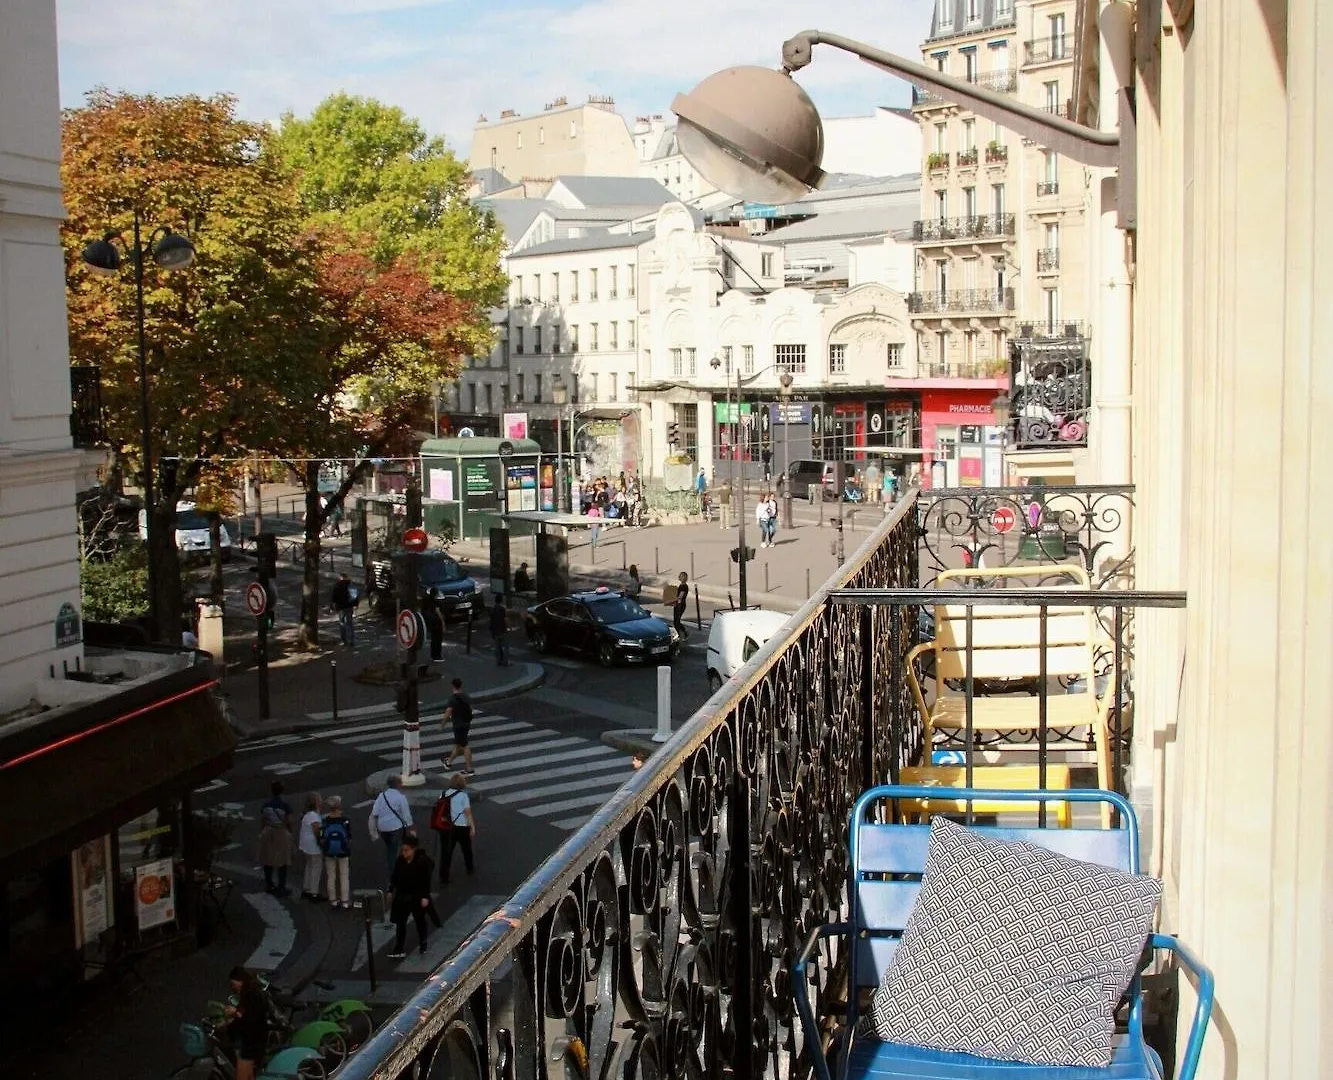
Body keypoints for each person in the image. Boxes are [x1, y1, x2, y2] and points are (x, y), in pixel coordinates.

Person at [386, 834, 437, 959]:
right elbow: (395, 877)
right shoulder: (400, 861)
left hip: (417, 895)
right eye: (403, 850)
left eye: (406, 850)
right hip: (403, 895)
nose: (404, 853)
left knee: (419, 920)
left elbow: (426, 880)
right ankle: (399, 947)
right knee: (400, 922)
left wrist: (425, 896)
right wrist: (391, 890)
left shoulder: (422, 862)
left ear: (413, 849)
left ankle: (423, 942)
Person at [225, 967, 269, 1080]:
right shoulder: (254, 994)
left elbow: (250, 1019)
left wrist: (235, 1012)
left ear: (241, 981)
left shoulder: (251, 996)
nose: (233, 988)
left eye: (234, 984)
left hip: (251, 1044)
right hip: (255, 1042)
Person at [433, 773, 477, 883]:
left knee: (446, 852)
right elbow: (468, 813)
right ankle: (469, 868)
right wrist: (472, 827)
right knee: (466, 849)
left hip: (445, 827)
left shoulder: (443, 794)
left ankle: (443, 876)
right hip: (461, 826)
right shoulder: (463, 796)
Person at [369, 776, 414, 881]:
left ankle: (394, 872)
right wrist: (411, 829)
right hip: (396, 828)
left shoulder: (381, 796)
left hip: (383, 829)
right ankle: (396, 875)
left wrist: (374, 831)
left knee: (390, 849)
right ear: (397, 784)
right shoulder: (401, 798)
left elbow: (374, 813)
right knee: (395, 851)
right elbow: (407, 816)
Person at [258, 781, 293, 896]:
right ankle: (281, 886)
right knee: (282, 860)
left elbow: (263, 820)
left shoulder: (266, 805)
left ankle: (269, 884)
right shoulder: (285, 805)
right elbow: (289, 822)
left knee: (268, 859)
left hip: (268, 832)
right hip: (280, 832)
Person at [320, 795, 352, 909]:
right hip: (343, 851)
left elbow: (321, 837)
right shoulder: (345, 820)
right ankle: (344, 901)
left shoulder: (324, 821)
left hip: (329, 851)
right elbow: (349, 837)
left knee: (331, 875)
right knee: (344, 876)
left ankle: (333, 900)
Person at [441, 677, 475, 776]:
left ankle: (469, 770)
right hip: (466, 723)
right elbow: (471, 709)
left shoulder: (452, 698)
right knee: (458, 744)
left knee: (464, 746)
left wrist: (442, 724)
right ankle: (449, 762)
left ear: (453, 686)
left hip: (458, 725)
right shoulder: (467, 696)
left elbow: (448, 713)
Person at [298, 793, 324, 901]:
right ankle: (314, 893)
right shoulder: (314, 816)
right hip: (313, 846)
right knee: (316, 868)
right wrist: (322, 843)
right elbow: (317, 831)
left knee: (309, 866)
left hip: (305, 846)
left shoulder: (307, 814)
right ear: (316, 803)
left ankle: (306, 889)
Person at [331, 573, 357, 647]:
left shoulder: (337, 585)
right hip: (349, 606)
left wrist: (333, 605)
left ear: (341, 577)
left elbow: (334, 597)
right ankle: (352, 640)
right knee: (350, 623)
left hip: (341, 607)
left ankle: (344, 640)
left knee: (342, 623)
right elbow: (354, 596)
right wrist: (355, 605)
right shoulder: (351, 585)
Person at [490, 593, 509, 667]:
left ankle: (498, 661)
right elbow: (505, 619)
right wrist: (508, 628)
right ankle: (505, 662)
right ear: (501, 600)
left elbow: (491, 621)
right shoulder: (502, 609)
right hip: (502, 630)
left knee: (497, 647)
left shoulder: (492, 610)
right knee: (506, 647)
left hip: (495, 631)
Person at [672, 572, 690, 639]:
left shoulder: (684, 587)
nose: (679, 577)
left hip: (680, 605)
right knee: (676, 621)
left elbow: (680, 597)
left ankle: (681, 634)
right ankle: (683, 633)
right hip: (678, 605)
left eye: (681, 576)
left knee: (676, 621)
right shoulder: (681, 585)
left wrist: (673, 599)